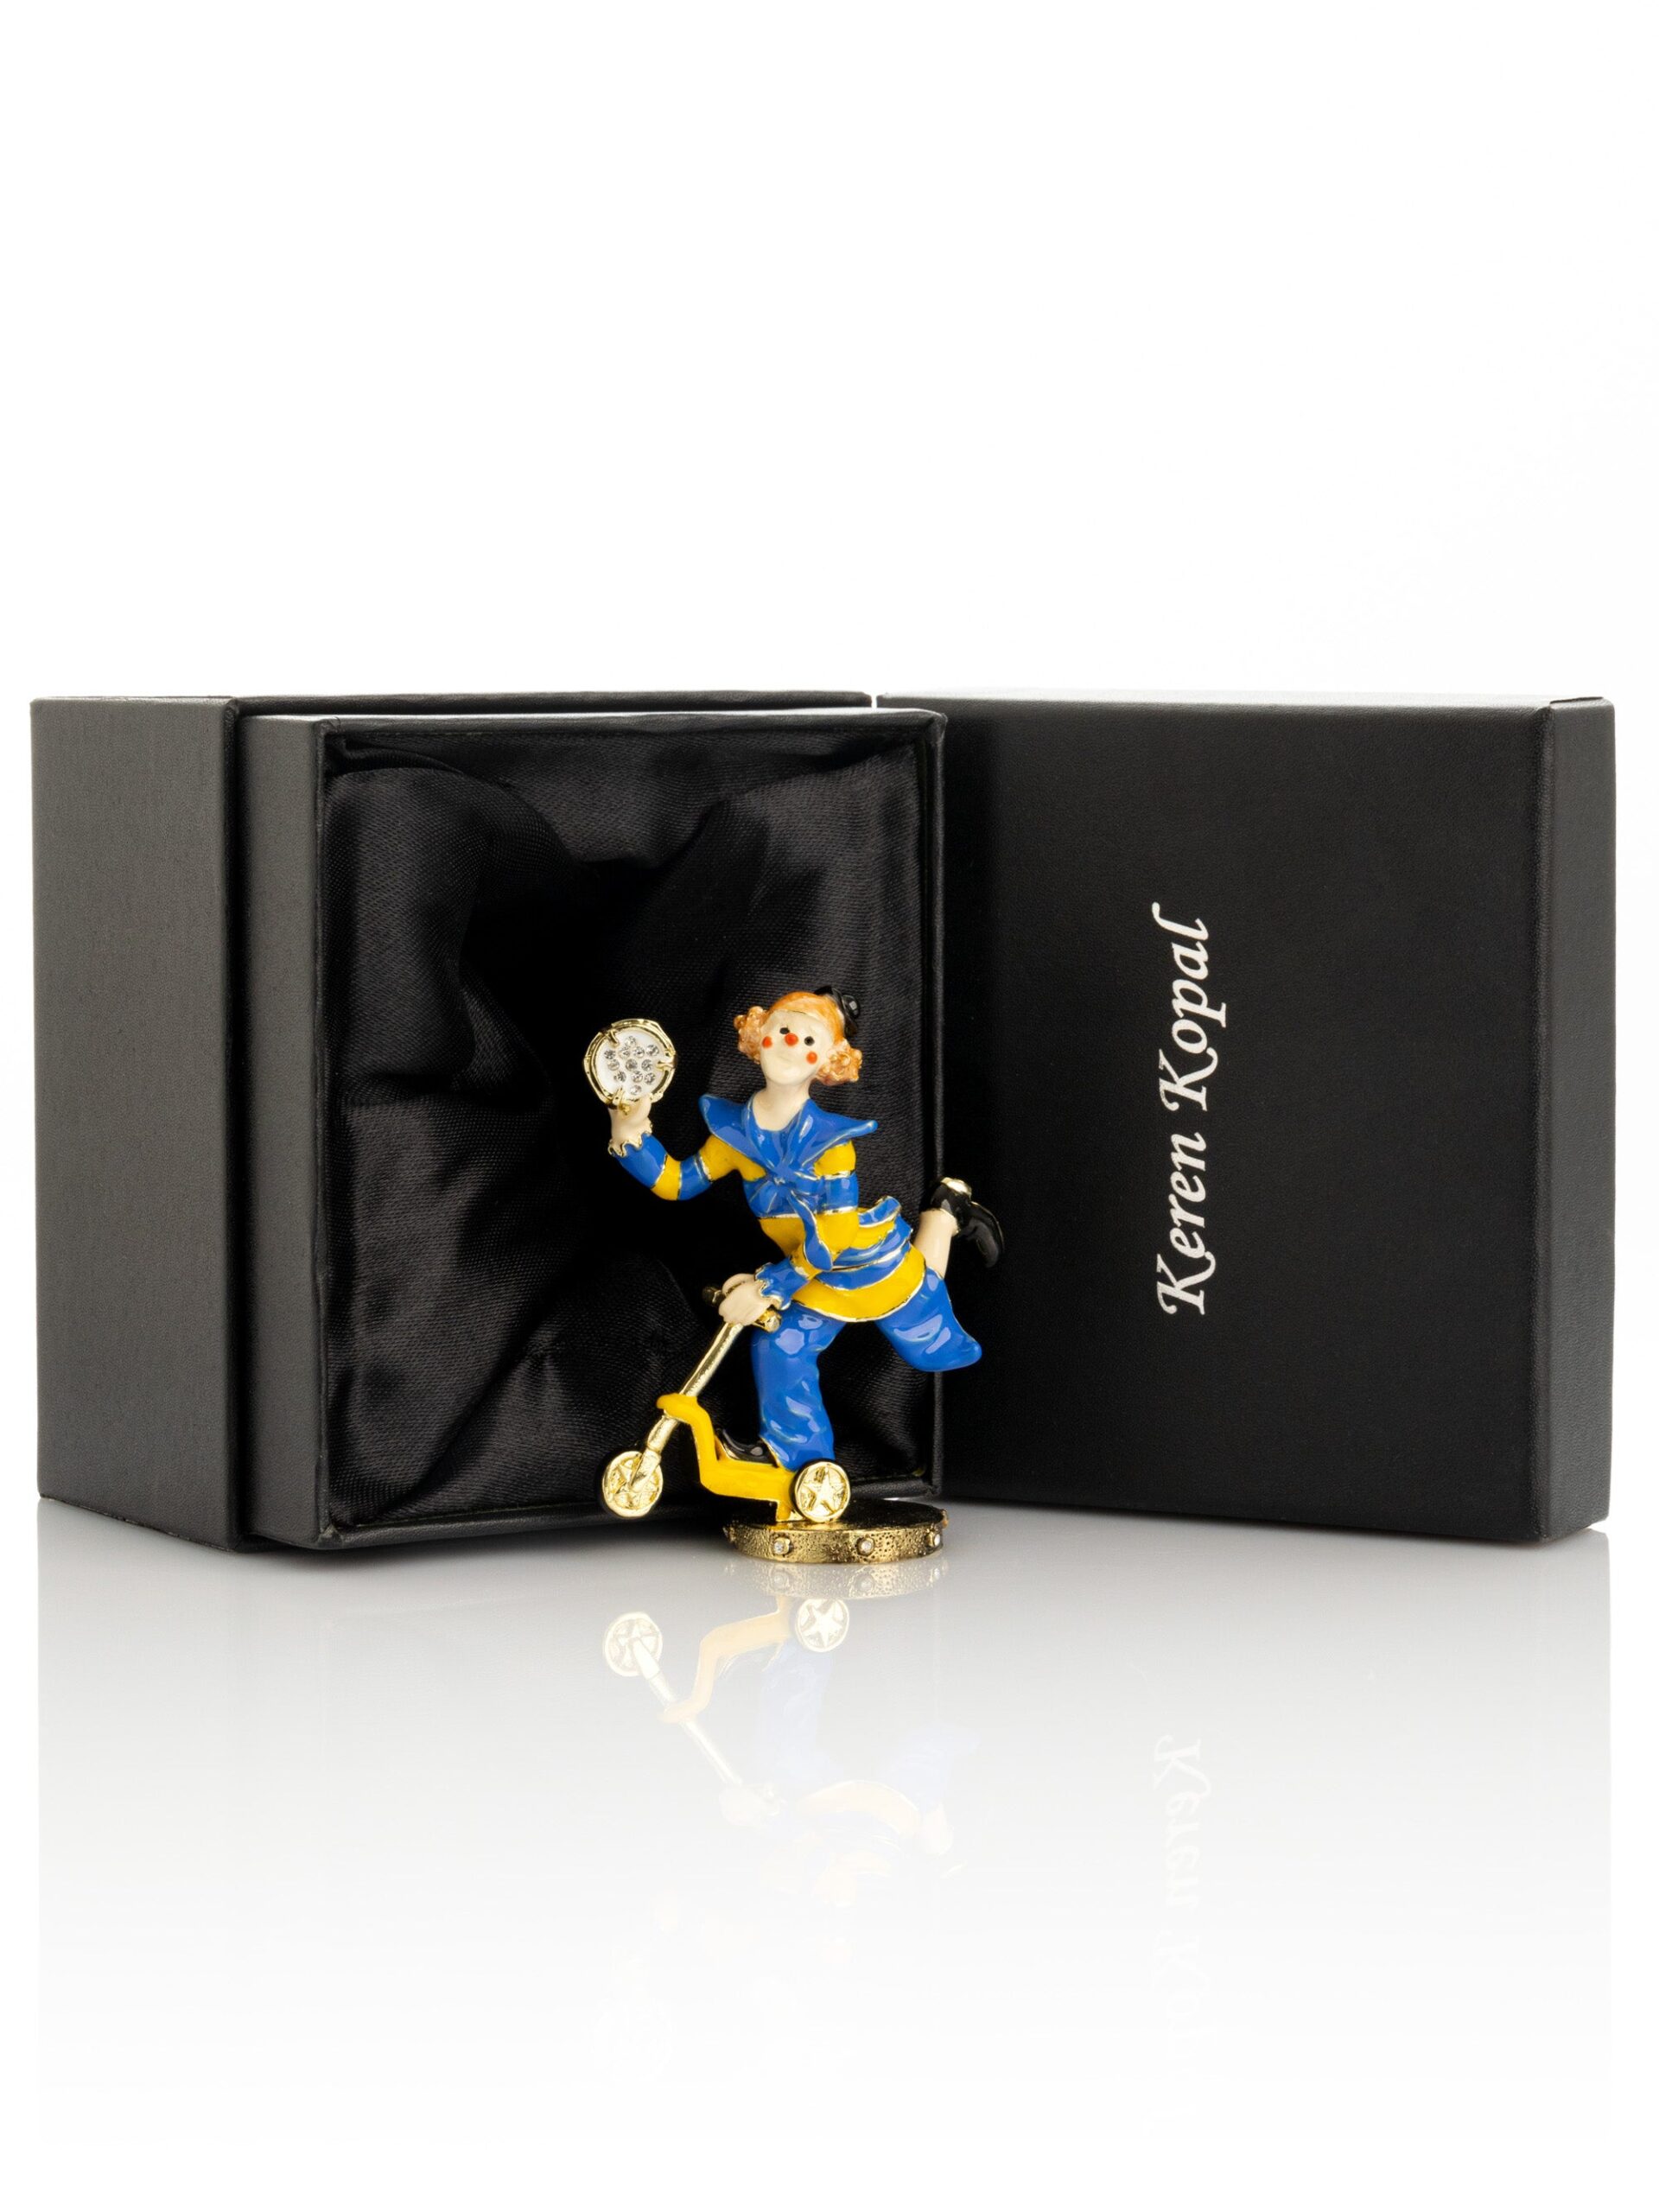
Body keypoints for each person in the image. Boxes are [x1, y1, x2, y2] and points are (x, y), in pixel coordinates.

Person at [607, 987, 1001, 1472]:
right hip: (807, 1273)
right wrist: (629, 1134)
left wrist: (768, 1287)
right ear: (759, 1036)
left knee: (925, 1321)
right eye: (784, 1030)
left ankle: (944, 1212)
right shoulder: (733, 1134)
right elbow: (678, 1182)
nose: (793, 1044)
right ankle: (801, 1460)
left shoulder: (832, 1143)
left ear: (828, 1061)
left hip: (860, 1259)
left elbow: (834, 1235)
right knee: (781, 1345)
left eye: (810, 1040)